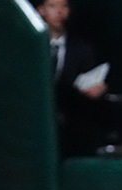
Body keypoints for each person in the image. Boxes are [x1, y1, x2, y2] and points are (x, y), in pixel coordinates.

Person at [35, 0, 111, 158]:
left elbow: (93, 82)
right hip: (37, 127)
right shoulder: (30, 48)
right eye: (53, 6)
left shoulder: (83, 49)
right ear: (41, 10)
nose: (59, 11)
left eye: (64, 6)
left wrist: (100, 89)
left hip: (73, 130)